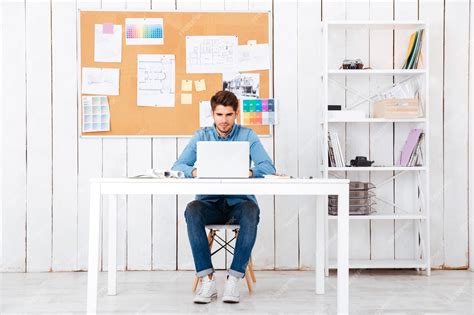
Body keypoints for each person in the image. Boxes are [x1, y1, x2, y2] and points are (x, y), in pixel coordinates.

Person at [171, 90, 275, 304]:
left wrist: (250, 172)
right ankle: (207, 280)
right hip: (210, 204)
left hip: (239, 205)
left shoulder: (248, 135)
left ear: (236, 113)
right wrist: (193, 172)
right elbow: (178, 167)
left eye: (229, 115)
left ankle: (234, 279)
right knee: (192, 209)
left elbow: (268, 167)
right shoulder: (201, 136)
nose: (224, 120)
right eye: (220, 115)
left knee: (251, 210)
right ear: (213, 114)